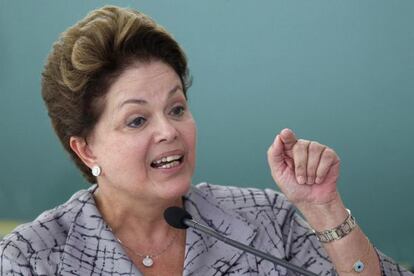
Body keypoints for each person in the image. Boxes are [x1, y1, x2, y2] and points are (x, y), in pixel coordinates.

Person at [0, 5, 411, 276]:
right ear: (86, 148)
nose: (169, 131)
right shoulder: (32, 258)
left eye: (176, 109)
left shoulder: (264, 218)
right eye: (137, 119)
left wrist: (324, 210)